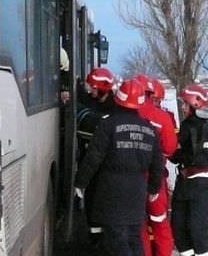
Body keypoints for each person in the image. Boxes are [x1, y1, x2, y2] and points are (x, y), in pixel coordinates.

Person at [75, 78, 164, 256]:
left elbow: (94, 157)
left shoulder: (108, 125)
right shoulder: (150, 129)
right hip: (137, 191)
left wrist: (80, 182)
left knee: (115, 240)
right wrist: (154, 187)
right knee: (133, 237)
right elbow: (157, 162)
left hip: (112, 190)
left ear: (118, 98)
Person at [169, 84, 208, 256]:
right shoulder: (186, 126)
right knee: (179, 227)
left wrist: (183, 156)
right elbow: (176, 152)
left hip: (202, 184)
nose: (183, 108)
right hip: (184, 183)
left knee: (197, 229)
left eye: (185, 104)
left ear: (195, 104)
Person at [76, 66, 118, 246]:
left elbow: (92, 126)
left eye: (93, 88)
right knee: (92, 204)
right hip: (91, 163)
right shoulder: (90, 100)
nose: (90, 91)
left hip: (105, 165)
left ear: (102, 88)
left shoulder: (114, 108)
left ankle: (102, 240)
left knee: (103, 204)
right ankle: (95, 238)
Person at [137, 77, 178, 256]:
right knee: (160, 222)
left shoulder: (121, 115)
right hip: (155, 178)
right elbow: (170, 147)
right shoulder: (162, 116)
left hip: (129, 179)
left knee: (139, 225)